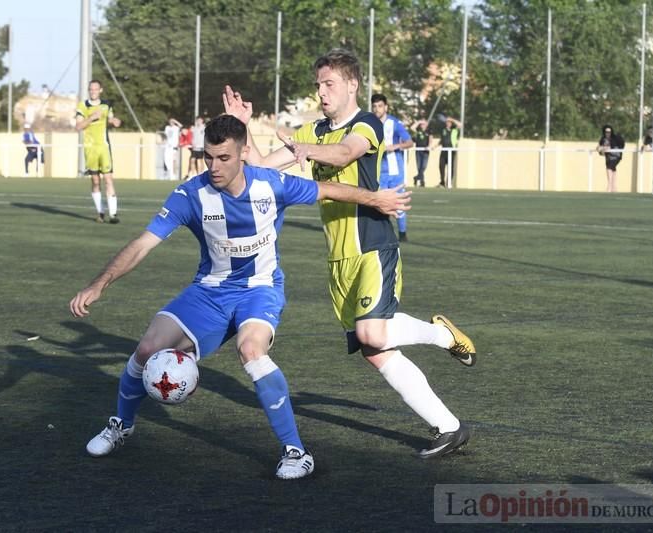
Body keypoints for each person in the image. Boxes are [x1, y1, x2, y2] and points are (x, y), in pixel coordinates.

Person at [70, 115, 409, 479]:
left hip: (260, 290)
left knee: (251, 349)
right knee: (147, 348)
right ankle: (121, 425)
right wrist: (99, 283)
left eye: (224, 158)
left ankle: (296, 452)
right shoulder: (190, 195)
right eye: (208, 156)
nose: (213, 167)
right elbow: (142, 244)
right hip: (210, 291)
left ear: (244, 153)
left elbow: (327, 190)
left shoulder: (271, 184)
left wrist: (375, 199)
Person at [223, 48, 476, 460]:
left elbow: (344, 153)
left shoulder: (367, 124)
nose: (321, 92)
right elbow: (263, 167)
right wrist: (242, 125)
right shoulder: (312, 132)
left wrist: (305, 150)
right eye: (318, 85)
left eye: (329, 84)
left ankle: (443, 335)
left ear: (352, 84)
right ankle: (449, 428)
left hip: (372, 245)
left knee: (370, 334)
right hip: (337, 258)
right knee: (376, 353)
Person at [76, 79, 122, 223]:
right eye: (91, 89)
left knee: (108, 179)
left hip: (104, 147)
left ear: (100, 90)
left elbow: (111, 119)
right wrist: (91, 118)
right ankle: (100, 212)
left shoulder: (106, 105)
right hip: (90, 148)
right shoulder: (82, 106)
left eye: (96, 89)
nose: (93, 91)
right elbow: (78, 126)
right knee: (95, 181)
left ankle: (113, 214)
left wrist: (115, 122)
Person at [371, 93, 414, 242]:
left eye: (380, 106)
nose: (377, 109)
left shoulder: (394, 123)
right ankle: (383, 233)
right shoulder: (369, 124)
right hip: (378, 171)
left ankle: (402, 233)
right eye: (374, 106)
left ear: (386, 107)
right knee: (379, 203)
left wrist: (394, 146)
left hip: (395, 171)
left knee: (398, 202)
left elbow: (409, 142)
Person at [596, 124, 624, 193]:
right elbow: (598, 147)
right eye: (606, 132)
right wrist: (600, 149)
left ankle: (609, 186)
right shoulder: (603, 139)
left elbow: (610, 147)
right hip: (608, 157)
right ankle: (614, 187)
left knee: (609, 168)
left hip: (615, 156)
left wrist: (603, 148)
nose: (607, 133)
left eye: (609, 132)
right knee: (613, 169)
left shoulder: (613, 138)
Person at [437, 115, 461, 188]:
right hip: (444, 151)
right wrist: (435, 146)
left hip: (451, 151)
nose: (448, 123)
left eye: (449, 122)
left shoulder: (455, 129)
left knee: (450, 168)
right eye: (447, 122)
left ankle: (449, 183)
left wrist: (452, 119)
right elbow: (441, 140)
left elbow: (460, 125)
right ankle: (442, 183)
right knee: (441, 166)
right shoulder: (443, 130)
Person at [412, 119, 431, 188]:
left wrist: (429, 146)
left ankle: (416, 178)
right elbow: (412, 128)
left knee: (423, 167)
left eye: (424, 123)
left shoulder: (429, 131)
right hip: (418, 151)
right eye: (421, 124)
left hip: (425, 151)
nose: (422, 125)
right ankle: (422, 181)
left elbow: (430, 139)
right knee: (419, 166)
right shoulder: (418, 131)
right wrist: (419, 121)